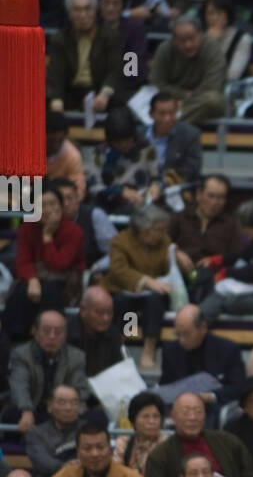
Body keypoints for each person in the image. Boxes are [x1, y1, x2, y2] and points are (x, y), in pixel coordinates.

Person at [3, 182, 84, 342]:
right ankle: (15, 342)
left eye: (53, 204)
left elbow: (59, 264)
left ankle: (49, 340)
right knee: (20, 293)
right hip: (35, 279)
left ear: (61, 206)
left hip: (65, 281)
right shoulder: (28, 227)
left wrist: (47, 236)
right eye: (42, 205)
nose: (48, 210)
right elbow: (23, 261)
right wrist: (32, 280)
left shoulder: (74, 232)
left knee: (49, 291)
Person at [144, 391, 253, 477]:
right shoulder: (159, 456)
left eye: (198, 412)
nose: (192, 417)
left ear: (205, 416)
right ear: (173, 418)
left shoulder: (228, 441)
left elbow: (250, 475)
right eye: (185, 412)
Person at [104, 203, 172, 370]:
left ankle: (149, 349)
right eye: (157, 229)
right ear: (143, 229)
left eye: (163, 229)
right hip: (125, 289)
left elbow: (168, 270)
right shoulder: (120, 242)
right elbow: (118, 270)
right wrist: (145, 281)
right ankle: (125, 345)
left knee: (155, 303)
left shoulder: (165, 242)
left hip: (153, 294)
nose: (161, 234)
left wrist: (177, 260)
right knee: (126, 304)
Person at [9, 310, 89, 435]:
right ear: (35, 332)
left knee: (93, 417)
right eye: (46, 331)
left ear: (65, 335)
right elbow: (19, 385)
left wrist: (66, 406)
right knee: (11, 415)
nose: (52, 336)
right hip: (34, 408)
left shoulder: (77, 357)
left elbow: (80, 389)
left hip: (64, 408)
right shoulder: (21, 355)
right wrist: (26, 409)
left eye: (58, 332)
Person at [46, 0, 125, 114]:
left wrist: (105, 93)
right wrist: (56, 99)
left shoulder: (110, 36)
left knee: (119, 105)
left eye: (88, 9)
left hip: (99, 90)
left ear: (95, 11)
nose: (83, 15)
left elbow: (116, 69)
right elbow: (56, 74)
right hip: (71, 92)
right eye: (77, 10)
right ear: (69, 14)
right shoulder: (59, 39)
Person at [159, 304, 246, 416]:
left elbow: (238, 387)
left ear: (203, 328)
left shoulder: (227, 349)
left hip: (213, 407)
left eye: (186, 334)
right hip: (178, 408)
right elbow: (165, 385)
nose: (181, 340)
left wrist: (210, 396)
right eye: (177, 334)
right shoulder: (170, 350)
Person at [148, 17, 227, 128]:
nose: (188, 45)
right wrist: (181, 96)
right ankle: (169, 120)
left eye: (192, 39)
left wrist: (187, 99)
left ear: (200, 35)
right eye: (182, 40)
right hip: (171, 102)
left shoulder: (212, 48)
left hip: (199, 102)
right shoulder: (165, 49)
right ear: (174, 40)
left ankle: (167, 124)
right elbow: (156, 82)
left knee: (213, 100)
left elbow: (213, 85)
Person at [167, 174, 242, 276]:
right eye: (210, 196)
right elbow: (164, 242)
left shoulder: (231, 223)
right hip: (180, 273)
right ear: (199, 194)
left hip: (214, 277)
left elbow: (237, 254)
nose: (214, 202)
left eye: (220, 198)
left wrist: (216, 261)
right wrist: (176, 253)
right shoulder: (180, 217)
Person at [24, 385, 85, 477]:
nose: (68, 408)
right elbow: (41, 461)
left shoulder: (89, 430)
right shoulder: (36, 433)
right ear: (50, 406)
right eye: (62, 403)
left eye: (74, 403)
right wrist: (65, 467)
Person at [140, 94, 203, 183]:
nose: (167, 119)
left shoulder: (190, 135)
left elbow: (192, 169)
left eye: (171, 113)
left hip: (174, 188)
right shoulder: (138, 134)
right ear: (151, 114)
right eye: (162, 113)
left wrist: (162, 184)